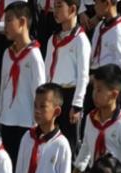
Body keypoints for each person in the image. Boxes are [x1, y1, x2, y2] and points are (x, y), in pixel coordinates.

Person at [74, 65, 121, 173]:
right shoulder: (91, 119)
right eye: (94, 89)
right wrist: (76, 172)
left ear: (114, 94)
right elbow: (86, 147)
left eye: (99, 90)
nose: (94, 94)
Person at [0, 1, 44, 160]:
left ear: (22, 22)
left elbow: (39, 89)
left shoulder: (34, 56)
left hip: (26, 121)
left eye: (9, 20)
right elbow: (3, 86)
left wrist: (39, 121)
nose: (5, 26)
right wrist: (0, 115)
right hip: (7, 119)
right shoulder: (6, 54)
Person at [45, 0, 89, 152]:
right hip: (53, 95)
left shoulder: (80, 40)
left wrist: (77, 105)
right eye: (54, 6)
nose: (55, 11)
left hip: (70, 95)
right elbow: (47, 69)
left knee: (70, 144)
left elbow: (83, 75)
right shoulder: (53, 39)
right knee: (51, 141)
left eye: (59, 6)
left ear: (72, 9)